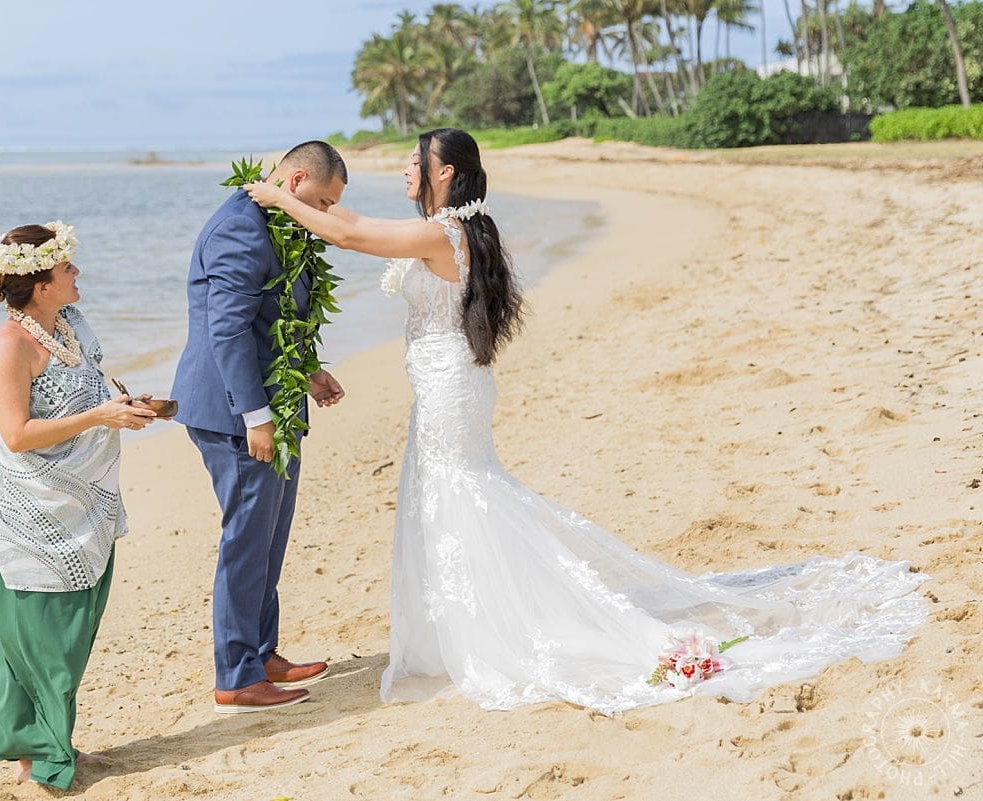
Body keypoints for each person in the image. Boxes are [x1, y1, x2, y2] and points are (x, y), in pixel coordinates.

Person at [242, 127, 930, 714]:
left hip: (451, 388)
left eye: (412, 160)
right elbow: (353, 224)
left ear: (442, 172)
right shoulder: (462, 229)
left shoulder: (443, 232)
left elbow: (351, 231)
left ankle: (510, 629)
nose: (403, 168)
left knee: (465, 497)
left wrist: (276, 196)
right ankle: (472, 625)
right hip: (451, 385)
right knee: (454, 498)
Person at [0, 222, 155, 787]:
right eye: (67, 268)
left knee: (70, 628)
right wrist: (101, 417)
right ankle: (38, 753)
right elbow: (18, 434)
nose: (77, 273)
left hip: (83, 499)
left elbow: (90, 388)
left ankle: (51, 740)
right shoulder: (8, 345)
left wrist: (121, 405)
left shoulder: (70, 324)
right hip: (28, 505)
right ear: (42, 284)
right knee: (39, 633)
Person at [172, 141, 348, 713]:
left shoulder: (279, 221)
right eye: (322, 201)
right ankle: (237, 676)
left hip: (276, 399)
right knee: (246, 542)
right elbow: (226, 331)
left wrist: (309, 369)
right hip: (233, 411)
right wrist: (257, 415)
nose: (323, 215)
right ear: (295, 180)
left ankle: (261, 652)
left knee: (270, 537)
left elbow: (270, 317)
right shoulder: (242, 228)